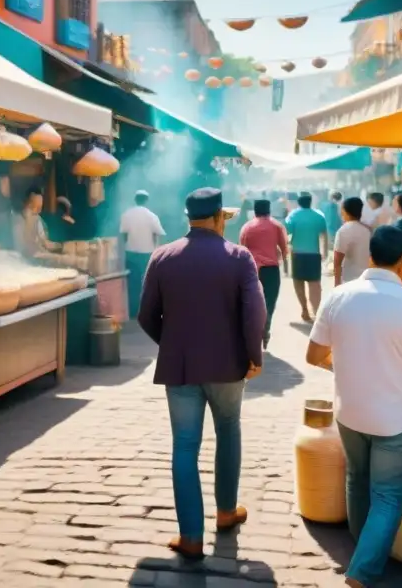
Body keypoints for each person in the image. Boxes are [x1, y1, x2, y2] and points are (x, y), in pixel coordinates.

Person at [306, 226, 402, 588]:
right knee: (388, 495)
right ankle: (362, 572)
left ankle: (361, 548)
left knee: (357, 479)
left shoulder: (338, 296)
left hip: (350, 410)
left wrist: (346, 367)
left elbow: (314, 355)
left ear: (370, 256)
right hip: (397, 416)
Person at [137, 188, 266, 560]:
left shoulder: (162, 256)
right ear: (220, 218)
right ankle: (226, 512)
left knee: (184, 446)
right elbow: (254, 313)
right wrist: (253, 354)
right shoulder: (238, 257)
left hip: (180, 367)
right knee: (229, 430)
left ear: (188, 217)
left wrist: (174, 343)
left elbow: (146, 315)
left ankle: (190, 536)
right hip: (228, 366)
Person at [239, 199, 288, 348]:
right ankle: (265, 330)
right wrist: (285, 266)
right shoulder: (276, 226)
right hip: (271, 270)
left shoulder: (247, 227)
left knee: (251, 303)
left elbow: (242, 250)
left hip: (251, 270)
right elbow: (284, 248)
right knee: (269, 302)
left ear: (254, 211)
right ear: (269, 210)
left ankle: (252, 332)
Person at [119, 190, 166, 319]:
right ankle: (146, 312)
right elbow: (158, 234)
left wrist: (125, 248)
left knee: (132, 284)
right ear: (146, 200)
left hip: (131, 253)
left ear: (135, 199)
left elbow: (123, 235)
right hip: (147, 254)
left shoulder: (126, 214)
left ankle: (133, 313)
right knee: (147, 284)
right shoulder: (151, 216)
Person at [285, 192, 329, 322]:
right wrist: (325, 251)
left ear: (299, 203)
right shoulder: (319, 216)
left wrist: (286, 248)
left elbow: (287, 233)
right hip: (314, 254)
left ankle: (304, 309)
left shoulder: (293, 215)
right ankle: (317, 312)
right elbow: (324, 235)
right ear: (311, 202)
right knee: (314, 284)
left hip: (298, 253)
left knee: (298, 282)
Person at [333, 197, 371, 286]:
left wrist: (336, 284)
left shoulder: (343, 231)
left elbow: (337, 261)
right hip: (366, 279)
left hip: (348, 280)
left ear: (344, 211)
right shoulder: (367, 230)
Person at [13, 187, 53, 258]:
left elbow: (45, 243)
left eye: (40, 208)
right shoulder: (18, 221)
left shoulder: (39, 221)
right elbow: (22, 248)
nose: (38, 211)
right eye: (35, 207)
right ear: (26, 204)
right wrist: (29, 222)